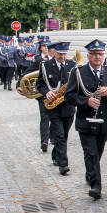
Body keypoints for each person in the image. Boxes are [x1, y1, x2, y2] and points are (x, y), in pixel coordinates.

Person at [65, 40, 107, 200]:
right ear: (88, 55)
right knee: (91, 153)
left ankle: (91, 174)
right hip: (86, 119)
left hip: (103, 120)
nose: (97, 57)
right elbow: (69, 96)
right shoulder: (78, 72)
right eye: (94, 54)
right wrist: (85, 101)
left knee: (98, 152)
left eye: (100, 54)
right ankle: (96, 186)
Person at [36, 41, 77, 175]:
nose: (63, 56)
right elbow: (40, 84)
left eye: (65, 54)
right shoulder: (46, 65)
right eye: (60, 54)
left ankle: (55, 155)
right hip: (54, 107)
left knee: (64, 135)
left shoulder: (73, 65)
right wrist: (46, 92)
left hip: (68, 107)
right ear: (55, 52)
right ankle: (63, 164)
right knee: (58, 136)